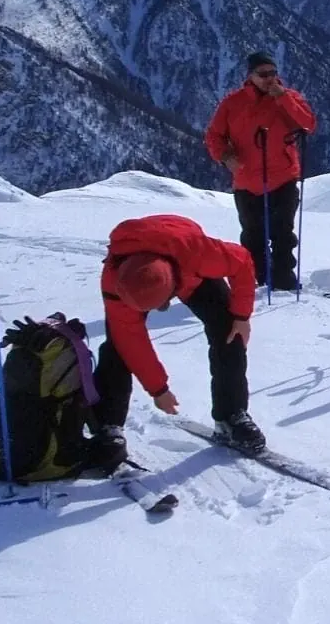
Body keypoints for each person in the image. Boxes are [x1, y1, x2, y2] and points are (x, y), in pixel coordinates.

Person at [94, 214, 265, 457]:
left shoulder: (199, 254)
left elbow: (242, 261)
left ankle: (231, 416)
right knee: (118, 348)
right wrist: (158, 389)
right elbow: (132, 342)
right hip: (150, 270)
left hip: (183, 252)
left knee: (228, 329)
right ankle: (108, 426)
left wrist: (241, 316)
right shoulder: (115, 282)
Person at [205, 51, 317, 292]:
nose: (269, 79)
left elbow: (308, 124)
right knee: (252, 235)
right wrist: (225, 156)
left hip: (283, 177)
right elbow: (214, 136)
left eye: (273, 73)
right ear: (250, 76)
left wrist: (283, 98)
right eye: (263, 74)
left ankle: (283, 279)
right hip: (247, 180)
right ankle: (259, 277)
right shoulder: (232, 103)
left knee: (283, 233)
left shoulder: (289, 98)